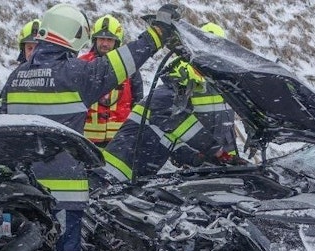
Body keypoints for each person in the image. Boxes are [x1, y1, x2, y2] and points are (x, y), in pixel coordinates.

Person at [0, 3, 178, 251]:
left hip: (25, 191)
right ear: (73, 36)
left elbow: (3, 126)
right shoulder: (76, 74)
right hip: (65, 194)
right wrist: (158, 32)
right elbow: (126, 60)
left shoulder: (16, 77)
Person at [100, 60, 236, 182]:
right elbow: (183, 127)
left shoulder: (170, 104)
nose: (191, 93)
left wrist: (197, 158)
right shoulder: (165, 97)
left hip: (130, 171)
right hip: (116, 170)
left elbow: (170, 143)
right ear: (183, 83)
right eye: (192, 87)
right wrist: (214, 148)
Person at [80, 15, 143, 147]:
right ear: (94, 40)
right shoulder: (81, 64)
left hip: (119, 141)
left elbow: (138, 105)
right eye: (101, 39)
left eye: (109, 40)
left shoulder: (130, 67)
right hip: (87, 141)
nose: (104, 44)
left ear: (117, 42)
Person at [192, 22, 239, 160]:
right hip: (199, 144)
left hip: (227, 143)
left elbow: (245, 104)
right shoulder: (187, 68)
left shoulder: (229, 72)